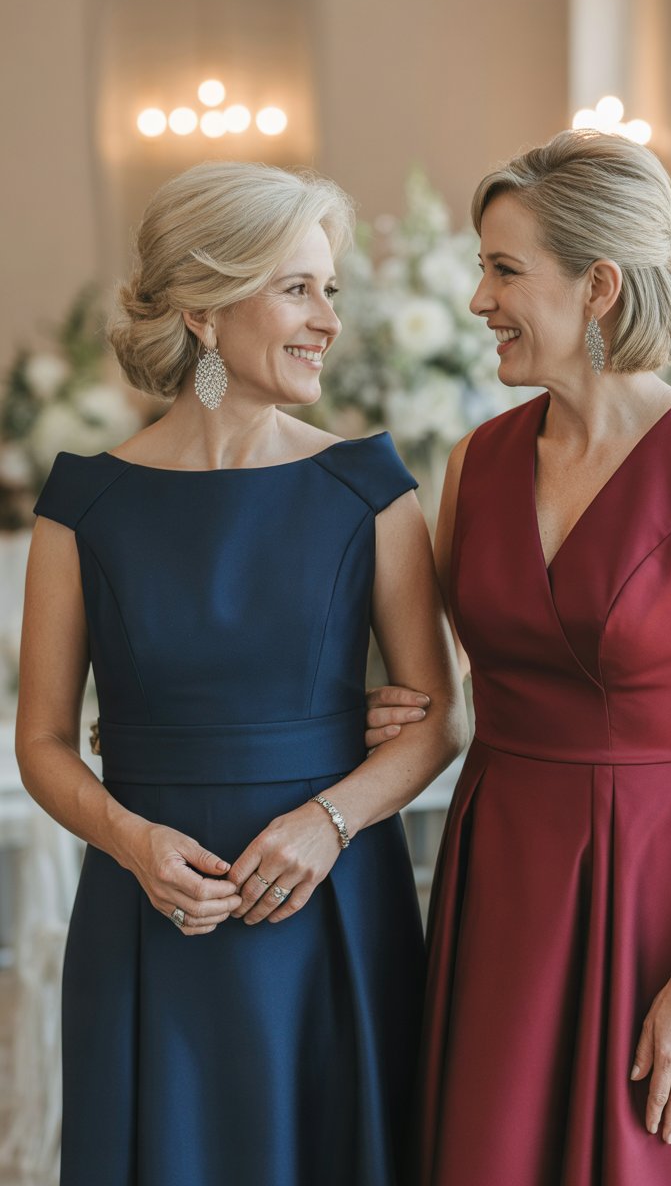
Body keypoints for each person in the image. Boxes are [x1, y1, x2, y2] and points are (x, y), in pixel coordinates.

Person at [366, 131, 671, 1184]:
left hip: (660, 889)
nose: (479, 299)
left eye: (504, 270)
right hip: (502, 878)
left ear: (599, 286)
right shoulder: (475, 463)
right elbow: (440, 684)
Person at [15, 161, 467, 1186]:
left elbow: (442, 718)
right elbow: (41, 741)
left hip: (332, 906)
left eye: (330, 290)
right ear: (203, 309)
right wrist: (129, 841)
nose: (328, 321)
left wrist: (329, 824)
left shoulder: (370, 489)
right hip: (144, 908)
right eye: (297, 288)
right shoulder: (82, 506)